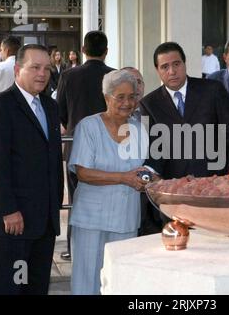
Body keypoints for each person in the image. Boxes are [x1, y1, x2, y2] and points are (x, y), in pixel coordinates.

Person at [0, 44, 64, 294]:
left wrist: (54, 205)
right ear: (17, 70)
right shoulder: (1, 105)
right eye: (34, 67)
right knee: (10, 288)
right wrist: (8, 210)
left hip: (43, 221)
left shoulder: (50, 106)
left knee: (35, 287)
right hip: (12, 223)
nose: (42, 74)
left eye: (46, 68)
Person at [140, 42, 229, 214]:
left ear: (184, 63)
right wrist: (154, 179)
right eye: (165, 67)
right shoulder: (149, 104)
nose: (172, 71)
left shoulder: (212, 90)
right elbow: (152, 150)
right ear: (157, 69)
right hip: (175, 194)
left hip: (217, 188)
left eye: (176, 64)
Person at [68, 69, 148, 295]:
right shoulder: (89, 126)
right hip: (91, 220)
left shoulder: (139, 129)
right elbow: (83, 173)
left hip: (126, 218)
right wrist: (124, 178)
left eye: (132, 97)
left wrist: (150, 179)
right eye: (120, 97)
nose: (127, 103)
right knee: (87, 282)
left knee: (121, 283)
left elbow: (141, 169)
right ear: (106, 98)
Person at [57, 31, 115, 261]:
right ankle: (106, 247)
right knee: (108, 195)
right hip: (110, 144)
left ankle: (75, 248)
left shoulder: (69, 76)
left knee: (77, 199)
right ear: (106, 51)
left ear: (83, 50)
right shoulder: (114, 76)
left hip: (76, 144)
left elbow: (59, 112)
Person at [121, 66, 163, 235]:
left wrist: (148, 174)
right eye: (130, 82)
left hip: (150, 192)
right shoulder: (110, 117)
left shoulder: (156, 112)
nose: (136, 87)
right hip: (120, 193)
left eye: (139, 82)